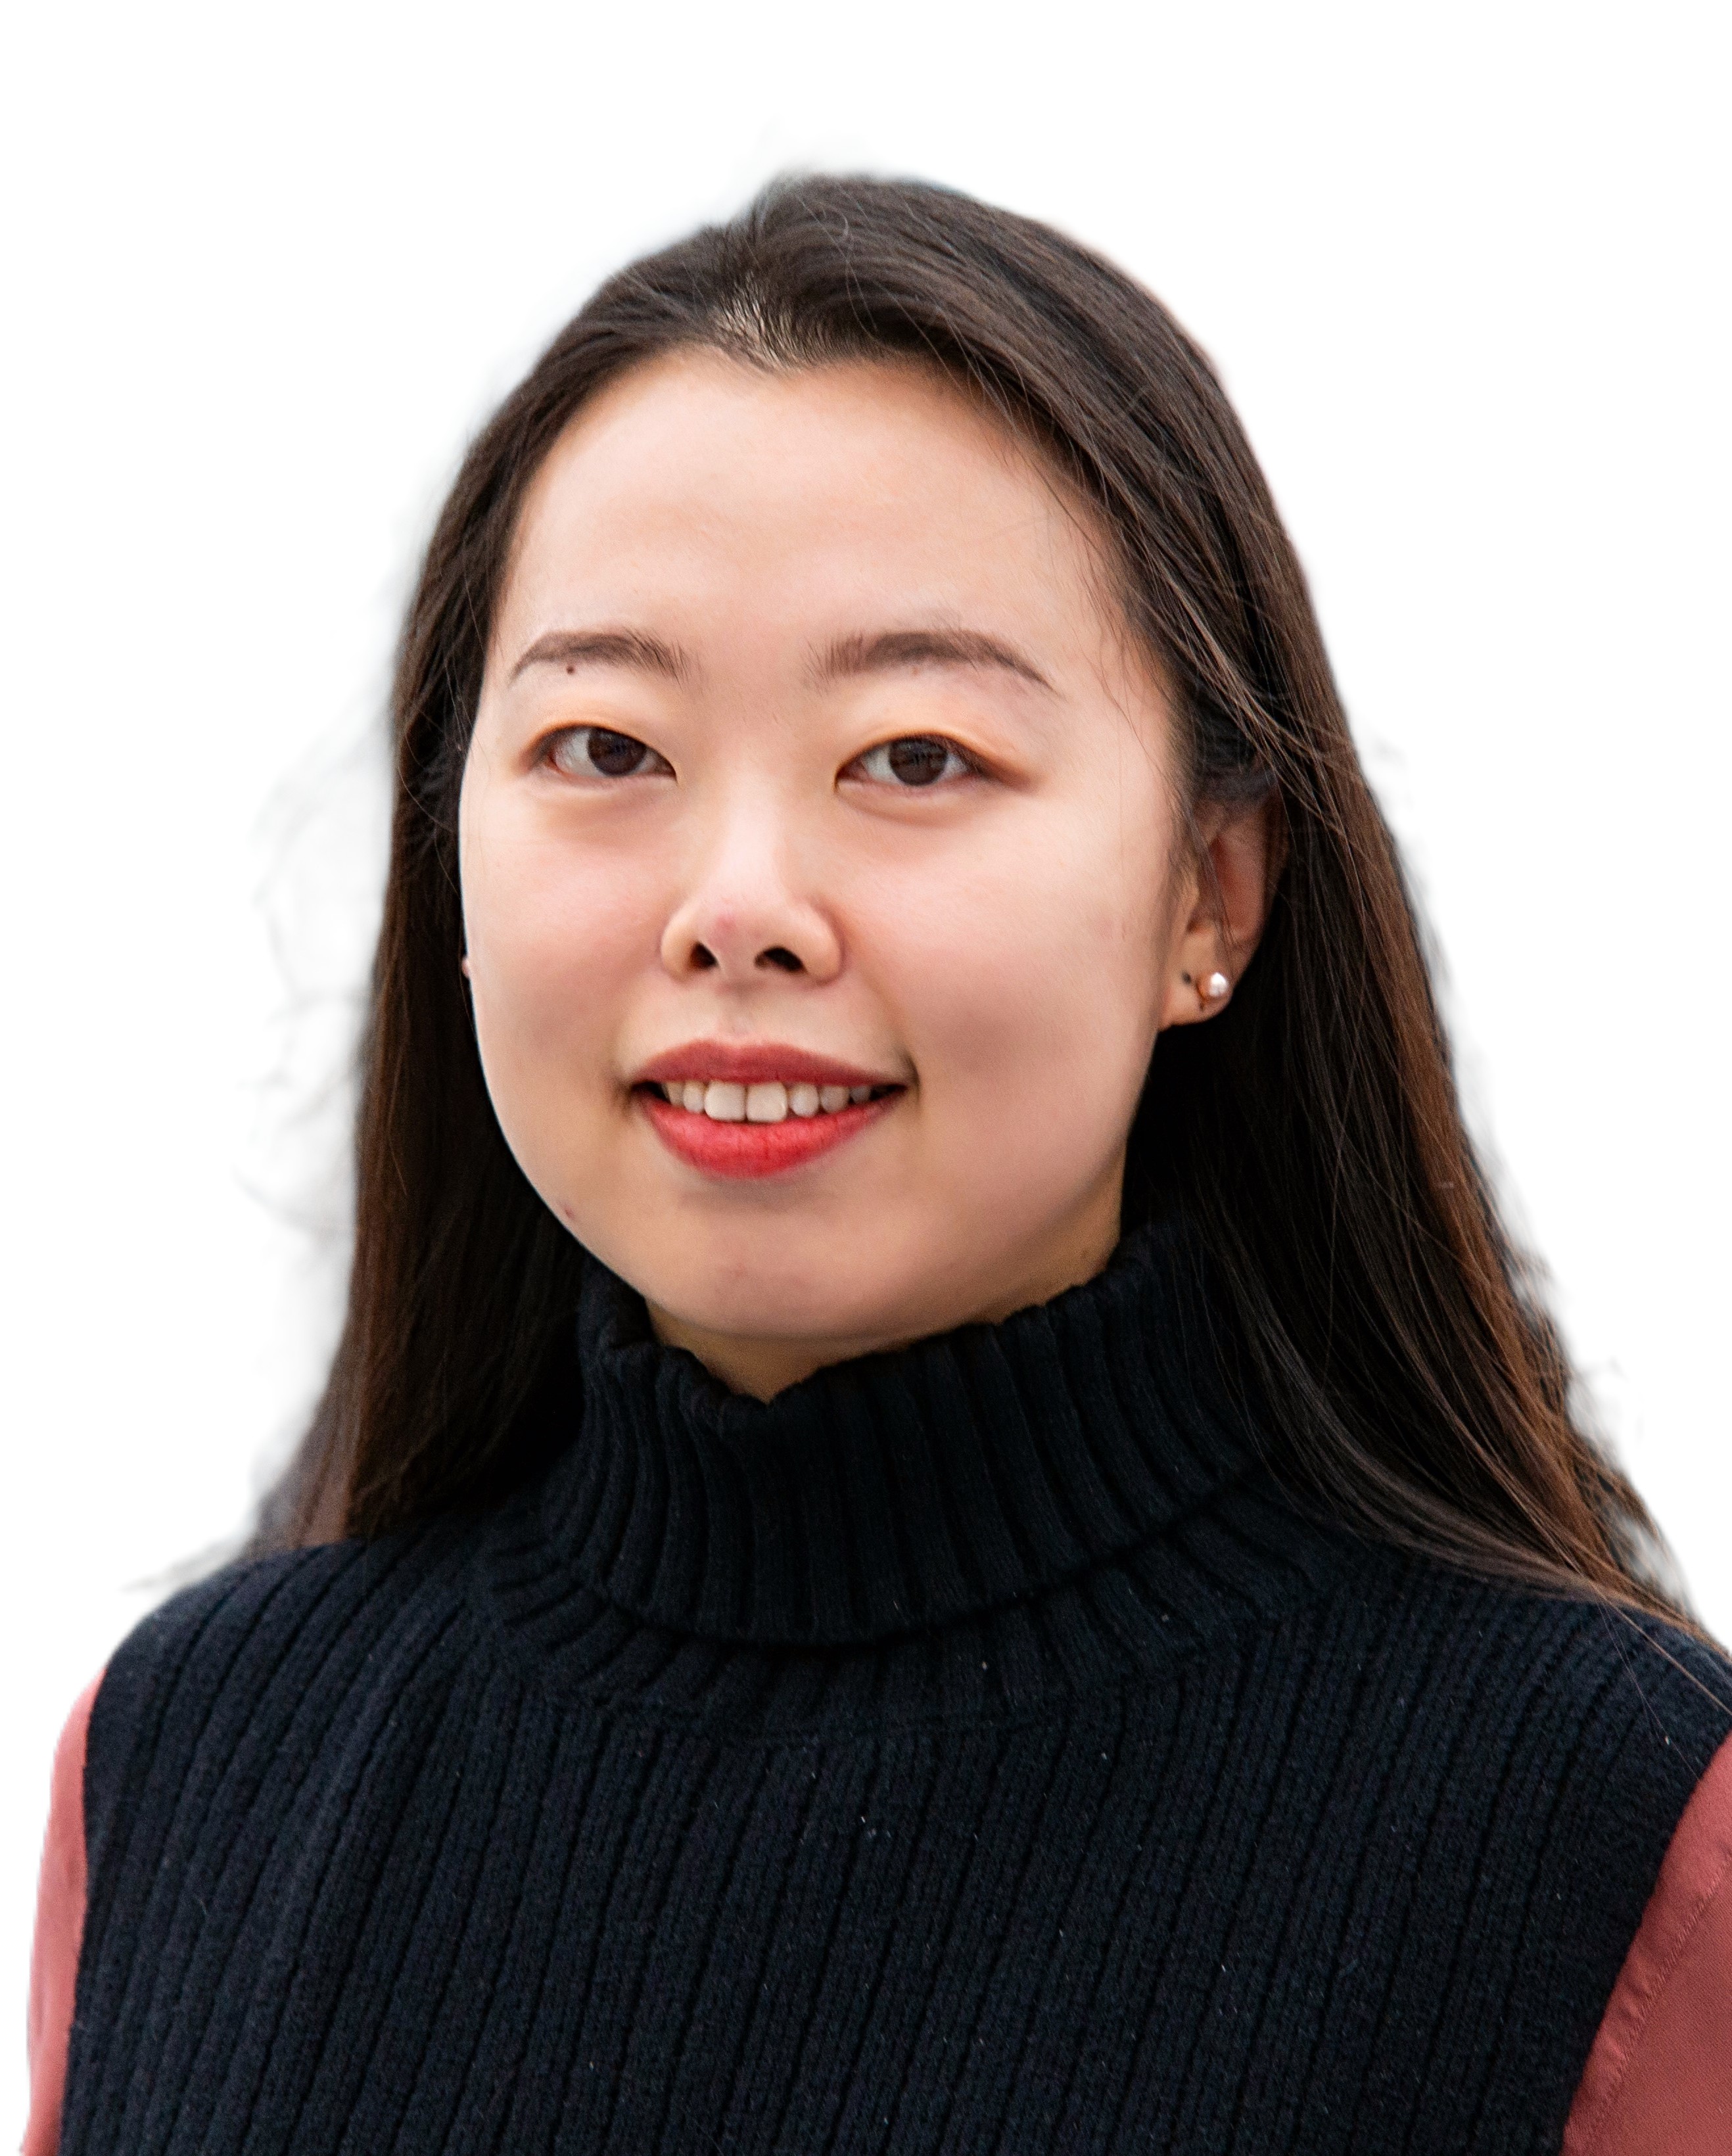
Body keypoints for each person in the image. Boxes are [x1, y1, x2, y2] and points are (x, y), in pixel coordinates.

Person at [26, 176, 1732, 2155]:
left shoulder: (1605, 1830)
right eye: (606, 749)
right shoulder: (187, 1770)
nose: (739, 908)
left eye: (916, 759)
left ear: (1210, 890)